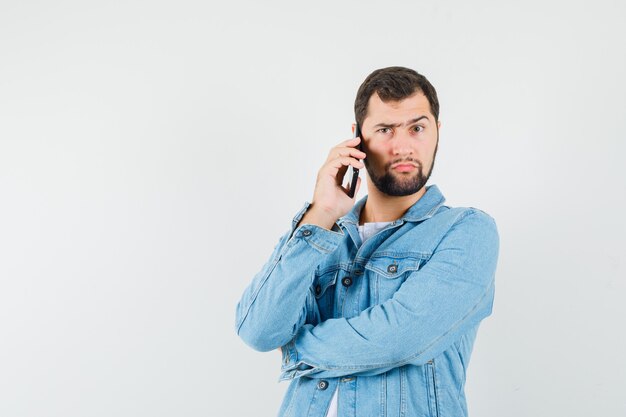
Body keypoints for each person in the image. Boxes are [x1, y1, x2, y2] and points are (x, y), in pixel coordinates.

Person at [235, 66, 499, 417]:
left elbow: (401, 338)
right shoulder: (322, 236)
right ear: (357, 138)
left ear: (437, 132)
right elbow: (258, 330)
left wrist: (297, 348)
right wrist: (322, 211)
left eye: (417, 128)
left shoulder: (466, 231)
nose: (403, 146)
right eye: (385, 129)